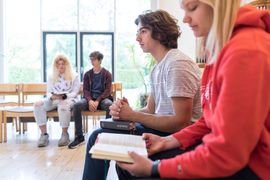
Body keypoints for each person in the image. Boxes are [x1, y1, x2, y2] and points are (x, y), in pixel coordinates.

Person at [116, 0, 270, 179]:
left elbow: (228, 152)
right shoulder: (217, 51)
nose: (186, 18)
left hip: (254, 166)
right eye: (184, 10)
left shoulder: (246, 51)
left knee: (134, 170)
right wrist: (166, 142)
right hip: (228, 153)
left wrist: (155, 169)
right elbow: (210, 120)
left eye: (193, 8)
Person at [82, 10, 203, 180]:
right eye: (138, 32)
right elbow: (151, 109)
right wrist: (126, 112)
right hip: (162, 131)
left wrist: (132, 115)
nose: (137, 38)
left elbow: (181, 122)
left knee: (98, 137)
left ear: (160, 32)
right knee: (101, 136)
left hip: (181, 138)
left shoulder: (177, 63)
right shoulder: (157, 68)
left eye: (143, 31)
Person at [68, 51, 113, 149]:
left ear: (100, 60)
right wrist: (90, 101)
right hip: (89, 99)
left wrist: (97, 101)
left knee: (110, 105)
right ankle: (79, 137)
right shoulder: (87, 74)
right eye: (91, 59)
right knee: (77, 105)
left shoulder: (107, 74)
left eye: (94, 59)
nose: (92, 61)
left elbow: (107, 91)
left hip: (102, 99)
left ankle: (107, 136)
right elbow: (85, 90)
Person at [34, 53, 80, 147]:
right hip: (54, 99)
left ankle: (64, 134)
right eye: (59, 64)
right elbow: (48, 92)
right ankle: (44, 135)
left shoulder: (74, 75)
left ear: (66, 64)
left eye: (63, 64)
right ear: (56, 65)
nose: (61, 66)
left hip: (69, 99)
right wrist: (52, 97)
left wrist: (64, 96)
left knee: (63, 104)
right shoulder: (52, 76)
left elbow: (75, 92)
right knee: (38, 104)